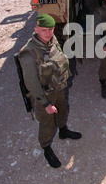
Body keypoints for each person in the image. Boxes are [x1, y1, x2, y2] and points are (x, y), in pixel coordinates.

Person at [18, 14, 82, 168]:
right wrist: (45, 103)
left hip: (58, 88)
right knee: (47, 122)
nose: (47, 33)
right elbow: (31, 83)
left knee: (62, 110)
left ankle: (63, 130)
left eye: (51, 29)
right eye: (43, 30)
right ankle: (46, 147)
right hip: (44, 95)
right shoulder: (29, 53)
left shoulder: (52, 40)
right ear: (35, 29)